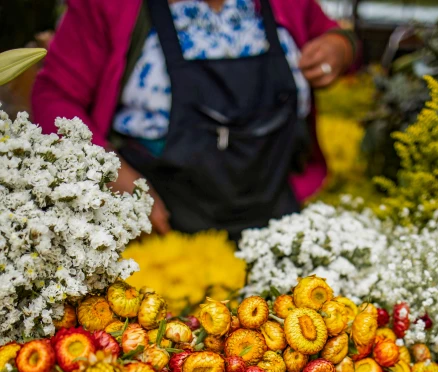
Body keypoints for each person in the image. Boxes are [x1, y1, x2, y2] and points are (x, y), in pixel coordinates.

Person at [33, 0, 356, 239]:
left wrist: (340, 46)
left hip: (277, 220)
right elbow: (54, 97)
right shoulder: (109, 6)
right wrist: (109, 172)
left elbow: (338, 41)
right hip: (160, 233)